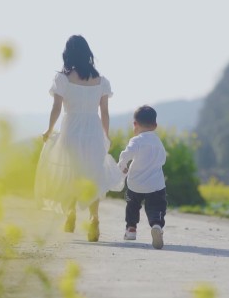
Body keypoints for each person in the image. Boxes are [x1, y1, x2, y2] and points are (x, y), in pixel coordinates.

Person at [34, 35, 122, 242]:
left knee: (72, 174)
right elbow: (105, 113)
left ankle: (71, 212)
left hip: (71, 130)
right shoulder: (101, 81)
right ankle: (94, 217)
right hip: (93, 131)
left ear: (68, 53)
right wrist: (106, 135)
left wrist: (48, 130)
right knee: (93, 175)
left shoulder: (62, 79)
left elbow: (56, 108)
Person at [117, 105, 167, 249]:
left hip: (135, 183)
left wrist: (122, 165)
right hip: (155, 184)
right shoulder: (158, 142)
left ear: (135, 124)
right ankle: (156, 224)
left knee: (132, 205)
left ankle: (131, 229)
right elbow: (163, 159)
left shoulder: (136, 140)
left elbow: (126, 154)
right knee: (157, 205)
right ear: (155, 125)